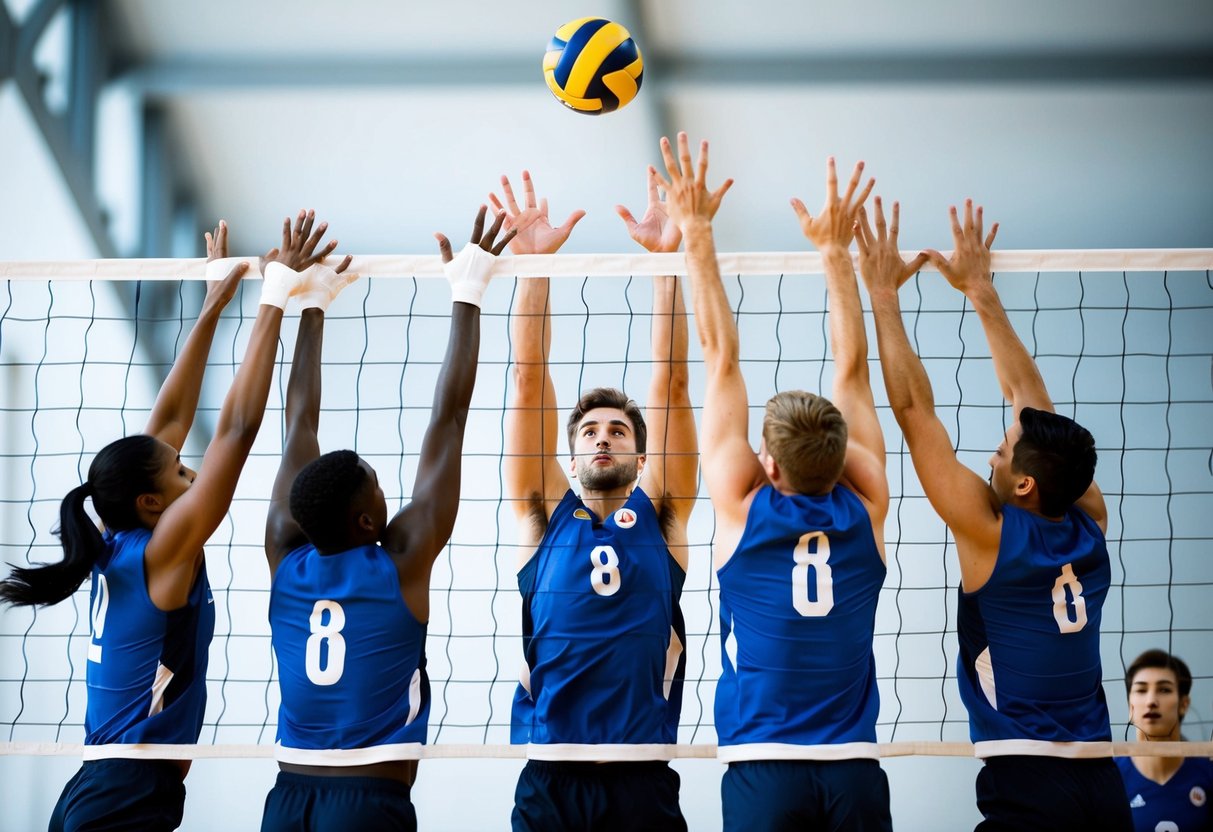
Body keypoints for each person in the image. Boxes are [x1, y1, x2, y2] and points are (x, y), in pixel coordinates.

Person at [0, 211, 344, 831]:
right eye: (183, 476)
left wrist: (215, 302)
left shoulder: (120, 534)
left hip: (104, 787)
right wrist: (273, 297)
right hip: (123, 792)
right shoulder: (162, 552)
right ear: (151, 504)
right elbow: (236, 431)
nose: (193, 479)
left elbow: (167, 423)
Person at [858, 197, 1132, 830]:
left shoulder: (989, 533)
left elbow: (914, 413)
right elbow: (1031, 404)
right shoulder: (1089, 516)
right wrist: (980, 291)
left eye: (1004, 452)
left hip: (1027, 779)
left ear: (1027, 483)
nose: (994, 452)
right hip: (1103, 779)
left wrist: (882, 294)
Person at [657, 133, 893, 830]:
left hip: (763, 763)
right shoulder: (868, 500)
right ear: (843, 456)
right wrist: (833, 253)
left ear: (767, 462)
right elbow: (851, 372)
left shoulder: (739, 501)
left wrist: (696, 231)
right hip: (852, 764)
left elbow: (718, 355)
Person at [259, 207, 514, 832]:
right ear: (371, 521)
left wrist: (311, 304)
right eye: (379, 485)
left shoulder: (282, 554)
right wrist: (468, 291)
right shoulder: (400, 561)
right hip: (368, 801)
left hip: (287, 795)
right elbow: (447, 420)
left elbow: (297, 426)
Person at [494, 169, 698, 831]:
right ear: (572, 456)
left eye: (617, 430)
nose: (603, 438)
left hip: (641, 777)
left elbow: (669, 384)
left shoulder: (663, 511)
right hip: (550, 775)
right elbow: (527, 383)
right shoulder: (539, 512)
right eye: (588, 431)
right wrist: (534, 268)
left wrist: (666, 259)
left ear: (641, 455)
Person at [1116, 649, 1213, 832]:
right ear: (1130, 707)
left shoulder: (1207, 773)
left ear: (1184, 704)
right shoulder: (1110, 779)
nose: (1151, 700)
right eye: (1141, 690)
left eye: (1164, 689)